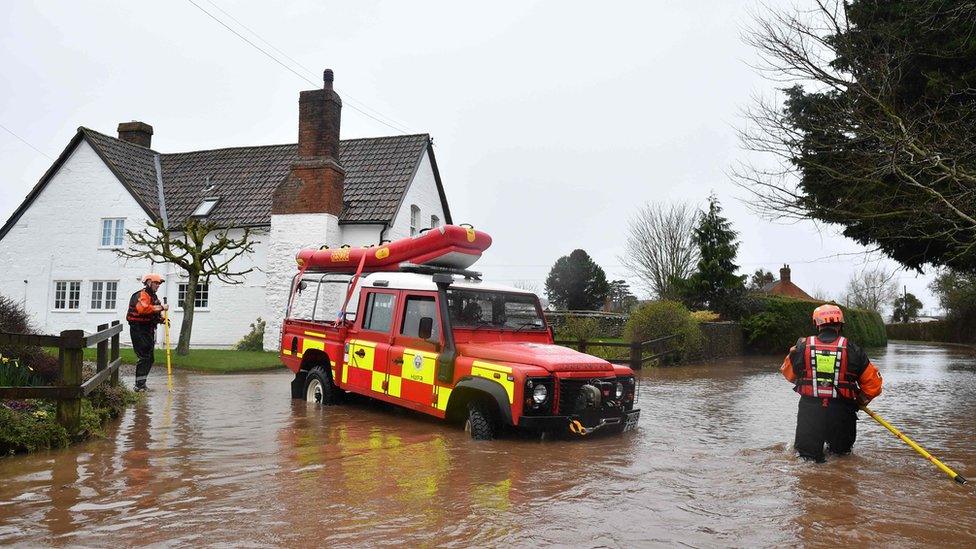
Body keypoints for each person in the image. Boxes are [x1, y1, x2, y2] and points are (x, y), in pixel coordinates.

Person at [780, 304, 883, 462]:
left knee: (806, 460)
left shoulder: (801, 347)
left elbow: (789, 375)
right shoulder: (853, 350)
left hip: (810, 412)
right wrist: (860, 401)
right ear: (840, 324)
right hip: (842, 414)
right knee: (840, 459)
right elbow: (873, 386)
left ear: (817, 324)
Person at [126, 273, 168, 392]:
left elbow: (152, 312)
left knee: (150, 358)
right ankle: (139, 386)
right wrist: (162, 308)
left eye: (159, 284)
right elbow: (142, 309)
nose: (158, 285)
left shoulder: (153, 296)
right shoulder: (142, 295)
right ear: (149, 282)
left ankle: (141, 384)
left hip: (148, 329)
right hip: (139, 329)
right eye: (156, 283)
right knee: (145, 356)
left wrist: (161, 319)